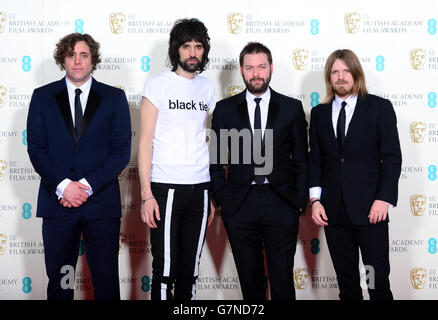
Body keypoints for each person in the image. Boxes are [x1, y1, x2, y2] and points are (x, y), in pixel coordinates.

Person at [26, 33, 132, 300]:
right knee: (61, 283)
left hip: (101, 205)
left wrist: (84, 187)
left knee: (106, 282)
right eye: (71, 55)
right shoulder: (42, 96)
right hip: (57, 204)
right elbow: (36, 148)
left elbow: (121, 152)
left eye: (83, 55)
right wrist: (64, 187)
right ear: (63, 59)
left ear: (92, 59)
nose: (77, 61)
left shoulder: (114, 97)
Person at [210, 42, 308, 300]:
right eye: (250, 68)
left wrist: (297, 199)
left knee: (283, 279)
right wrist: (223, 198)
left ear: (271, 68)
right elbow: (216, 161)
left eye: (261, 67)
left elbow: (301, 159)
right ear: (242, 71)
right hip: (240, 203)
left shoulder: (291, 108)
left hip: (281, 201)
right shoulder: (224, 109)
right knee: (249, 281)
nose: (256, 73)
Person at [308, 49, 402, 300]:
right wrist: (315, 200)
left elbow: (392, 156)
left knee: (377, 283)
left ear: (356, 73)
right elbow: (315, 160)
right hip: (334, 213)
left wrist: (384, 199)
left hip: (371, 212)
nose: (340, 77)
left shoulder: (379, 108)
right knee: (347, 284)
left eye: (346, 71)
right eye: (335, 72)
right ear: (329, 77)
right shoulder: (318, 114)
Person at [138, 18, 216, 300]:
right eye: (186, 46)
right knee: (165, 271)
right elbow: (144, 142)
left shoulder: (207, 88)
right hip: (165, 188)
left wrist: (210, 197)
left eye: (198, 46)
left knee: (190, 271)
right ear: (176, 49)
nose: (193, 52)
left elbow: (199, 137)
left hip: (201, 188)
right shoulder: (158, 84)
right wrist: (146, 195)